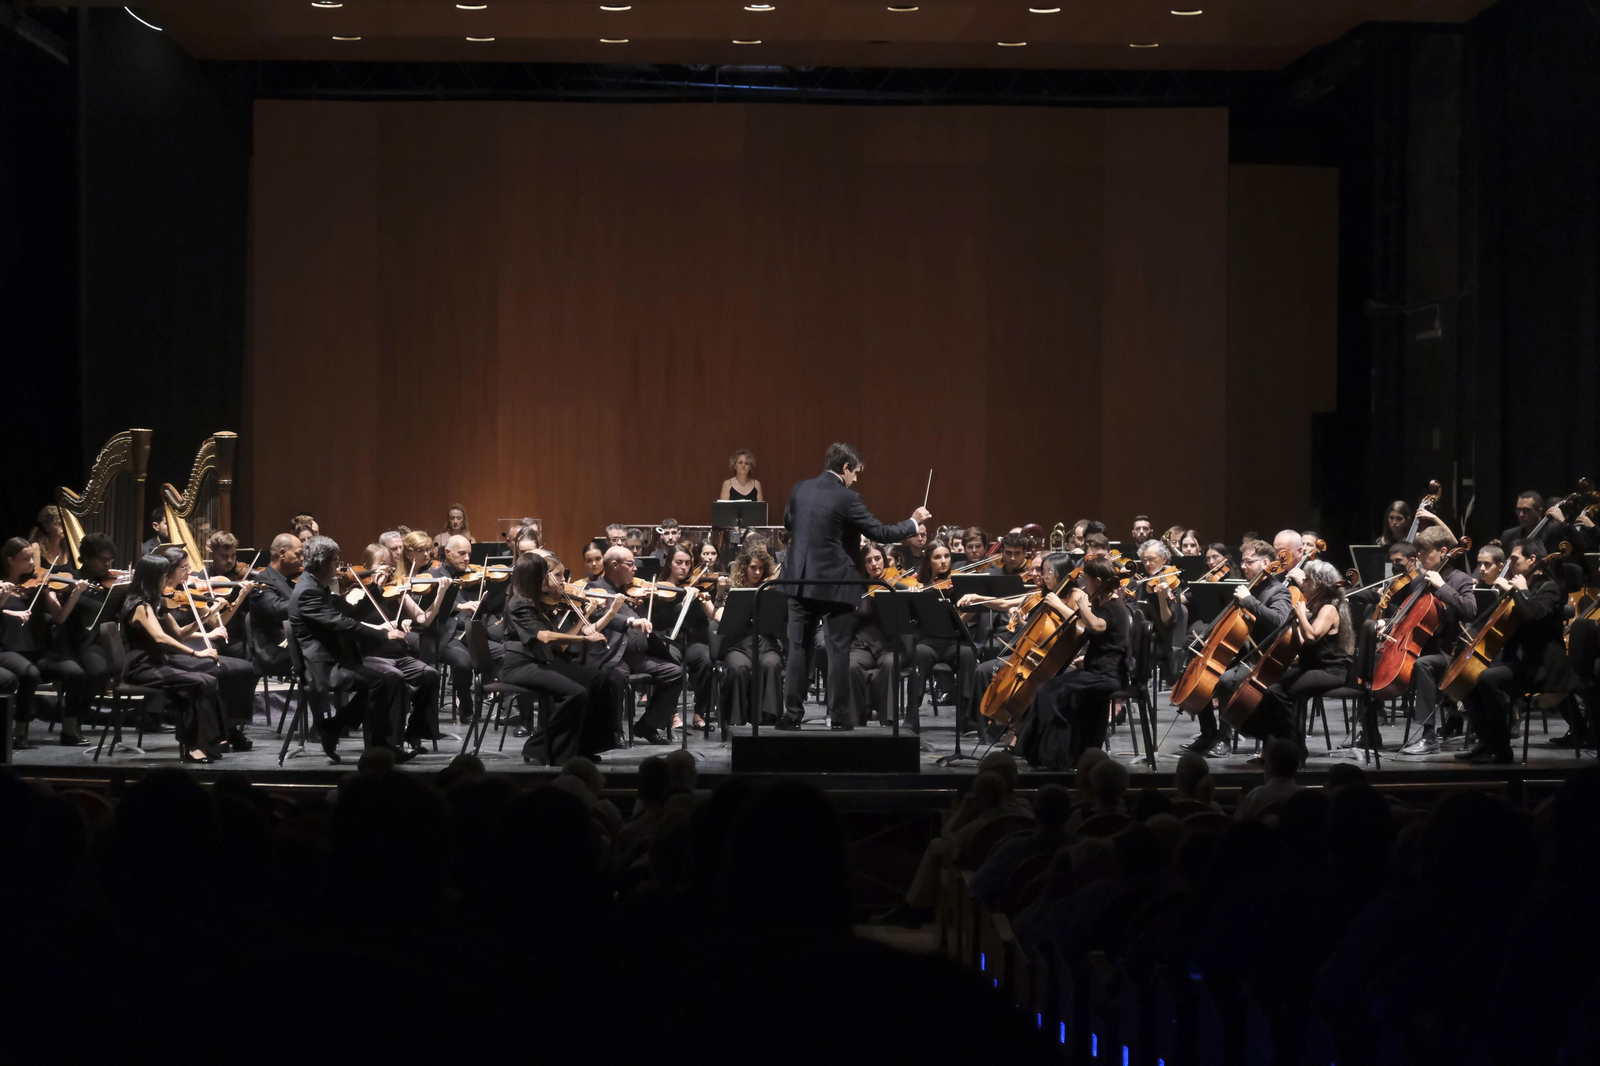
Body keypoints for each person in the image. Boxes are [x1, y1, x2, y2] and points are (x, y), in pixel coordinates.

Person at [780, 442, 928, 731]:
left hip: (798, 579)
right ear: (845, 468)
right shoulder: (848, 498)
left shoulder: (800, 488)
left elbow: (790, 522)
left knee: (798, 649)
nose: (856, 479)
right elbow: (881, 533)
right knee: (838, 651)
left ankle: (791, 716)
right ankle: (838, 718)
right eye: (856, 472)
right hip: (835, 583)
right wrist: (914, 521)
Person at [1456, 538, 1583, 764]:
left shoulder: (1549, 588)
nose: (1510, 564)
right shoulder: (1524, 586)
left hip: (1543, 667)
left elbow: (1534, 615)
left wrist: (1520, 591)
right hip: (1522, 661)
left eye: (1514, 559)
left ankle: (1502, 749)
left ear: (1532, 560)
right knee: (1470, 678)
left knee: (1488, 679)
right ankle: (1487, 742)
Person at [288, 535, 412, 763]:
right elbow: (343, 624)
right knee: (379, 681)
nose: (338, 566)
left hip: (337, 657)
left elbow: (351, 613)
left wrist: (375, 588)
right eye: (335, 561)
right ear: (323, 563)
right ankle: (378, 747)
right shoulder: (308, 592)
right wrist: (384, 635)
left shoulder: (317, 586)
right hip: (323, 664)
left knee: (384, 681)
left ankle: (336, 727)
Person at [499, 553, 626, 765]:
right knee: (576, 693)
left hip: (541, 661)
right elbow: (546, 637)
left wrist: (584, 622)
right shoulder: (519, 603)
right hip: (520, 665)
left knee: (600, 679)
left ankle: (585, 746)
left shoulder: (536, 601)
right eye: (545, 575)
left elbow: (561, 644)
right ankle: (539, 746)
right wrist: (584, 640)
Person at [1016, 555, 1130, 770]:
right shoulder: (1102, 602)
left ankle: (1056, 759)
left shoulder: (1113, 606)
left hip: (1108, 675)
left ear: (1097, 581)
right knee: (1049, 688)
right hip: (1096, 670)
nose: (1084, 586)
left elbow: (1096, 627)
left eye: (1086, 581)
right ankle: (1062, 754)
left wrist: (1082, 606)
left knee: (1050, 692)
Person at [1185, 537, 1292, 758]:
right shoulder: (1246, 586)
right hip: (1238, 652)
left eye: (1248, 562)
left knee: (1224, 681)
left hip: (1259, 658)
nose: (1242, 566)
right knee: (1199, 675)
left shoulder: (1279, 591)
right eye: (1242, 561)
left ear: (1265, 563)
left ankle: (1225, 738)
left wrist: (1250, 600)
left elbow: (1278, 620)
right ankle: (1209, 733)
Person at [1234, 557, 1352, 755]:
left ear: (1318, 584)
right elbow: (1302, 641)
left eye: (1306, 580)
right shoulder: (1315, 606)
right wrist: (1296, 621)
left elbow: (1312, 636)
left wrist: (1301, 616)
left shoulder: (1329, 609)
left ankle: (1295, 746)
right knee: (1268, 690)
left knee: (1278, 693)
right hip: (1310, 666)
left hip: (1330, 670)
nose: (1302, 584)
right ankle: (1275, 746)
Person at [115, 552, 226, 762]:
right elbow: (161, 638)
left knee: (207, 680)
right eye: (164, 575)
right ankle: (196, 748)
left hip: (156, 662)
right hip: (141, 667)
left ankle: (206, 743)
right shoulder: (141, 605)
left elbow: (177, 634)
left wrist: (204, 616)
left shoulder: (156, 601)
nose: (168, 580)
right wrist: (196, 652)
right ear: (152, 577)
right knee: (199, 682)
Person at [1, 537, 97, 748]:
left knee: (75, 672)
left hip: (36, 652)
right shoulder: (2, 587)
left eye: (32, 559)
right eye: (25, 559)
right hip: (7, 650)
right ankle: (20, 731)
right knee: (29, 674)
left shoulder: (41, 586)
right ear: (10, 560)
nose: (32, 564)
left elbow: (60, 617)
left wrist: (75, 594)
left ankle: (70, 730)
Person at [585, 546, 684, 745]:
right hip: (613, 656)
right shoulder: (595, 589)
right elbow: (598, 615)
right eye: (630, 564)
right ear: (614, 565)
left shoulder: (633, 592)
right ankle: (613, 730)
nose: (635, 569)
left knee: (675, 672)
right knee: (615, 678)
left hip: (639, 657)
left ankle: (648, 725)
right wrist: (629, 620)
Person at [1395, 526, 1481, 755]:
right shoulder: (1418, 582)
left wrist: (1442, 587)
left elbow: (1471, 610)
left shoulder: (1459, 579)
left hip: (1451, 652)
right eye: (1418, 552)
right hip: (1421, 647)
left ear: (1443, 551)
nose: (1419, 556)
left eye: (1424, 551)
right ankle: (1370, 731)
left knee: (1424, 665)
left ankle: (1429, 736)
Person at [717, 544, 783, 726]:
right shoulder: (734, 591)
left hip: (767, 644)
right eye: (753, 567)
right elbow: (720, 618)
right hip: (739, 645)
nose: (758, 572)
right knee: (738, 668)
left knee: (771, 664)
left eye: (761, 568)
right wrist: (720, 595)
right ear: (745, 567)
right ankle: (736, 721)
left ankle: (768, 719)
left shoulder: (771, 590)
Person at [653, 544, 716, 730]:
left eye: (687, 563)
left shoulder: (696, 587)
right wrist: (681, 603)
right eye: (679, 562)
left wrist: (702, 600)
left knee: (706, 659)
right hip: (669, 641)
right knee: (670, 661)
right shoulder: (661, 589)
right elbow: (658, 622)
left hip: (692, 641)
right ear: (669, 564)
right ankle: (671, 712)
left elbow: (705, 621)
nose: (684, 567)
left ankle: (700, 713)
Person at [1132, 538, 1187, 680]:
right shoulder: (1144, 582)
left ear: (1164, 559)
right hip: (1144, 633)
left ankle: (1137, 682)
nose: (1147, 564)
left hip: (1162, 638)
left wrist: (1163, 599)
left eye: (1152, 559)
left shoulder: (1171, 583)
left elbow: (1167, 622)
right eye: (1144, 560)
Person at [249, 533, 301, 675]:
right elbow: (277, 608)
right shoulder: (262, 582)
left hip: (296, 645)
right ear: (282, 554)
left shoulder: (291, 581)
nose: (302, 560)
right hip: (274, 650)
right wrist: (309, 602)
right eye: (298, 554)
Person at [1235, 737, 1303, 820]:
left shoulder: (1256, 795)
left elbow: (1237, 824)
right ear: (1297, 767)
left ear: (1269, 765)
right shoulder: (1306, 797)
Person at [28, 505, 71, 573]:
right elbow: (36, 579)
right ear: (46, 526)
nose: (64, 527)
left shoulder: (68, 547)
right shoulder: (36, 548)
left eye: (65, 524)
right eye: (59, 524)